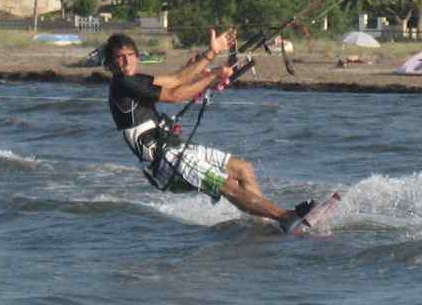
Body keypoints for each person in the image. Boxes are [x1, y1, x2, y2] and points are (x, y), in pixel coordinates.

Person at [103, 30, 314, 232]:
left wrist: (211, 53)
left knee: (243, 169)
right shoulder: (122, 83)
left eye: (130, 55)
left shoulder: (134, 79)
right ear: (111, 64)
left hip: (175, 148)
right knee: (228, 186)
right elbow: (176, 95)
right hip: (164, 159)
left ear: (137, 57)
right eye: (120, 57)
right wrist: (213, 76)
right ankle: (285, 217)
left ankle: (265, 225)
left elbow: (178, 79)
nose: (127, 61)